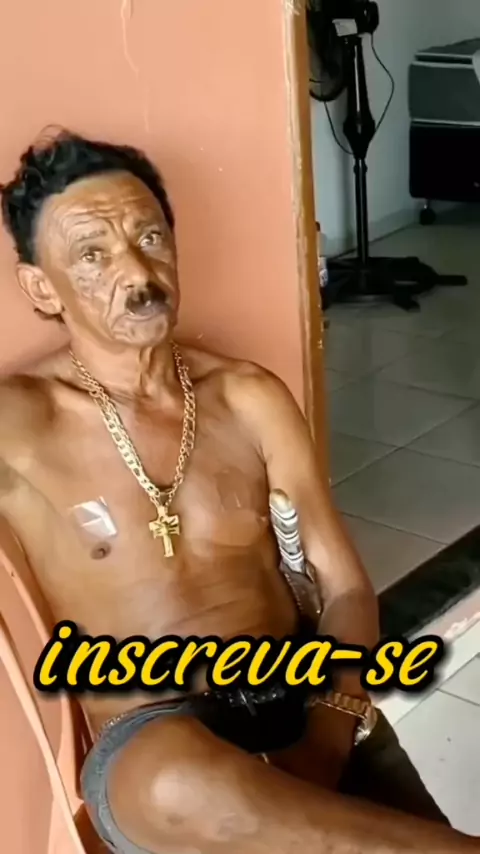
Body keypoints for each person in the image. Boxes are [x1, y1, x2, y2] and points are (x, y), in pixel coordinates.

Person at [0, 130, 477, 854]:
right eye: (92, 254)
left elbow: (345, 587)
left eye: (150, 237)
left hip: (301, 698)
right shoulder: (20, 422)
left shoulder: (247, 396)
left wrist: (326, 735)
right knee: (174, 778)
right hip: (152, 743)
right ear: (41, 286)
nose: (137, 270)